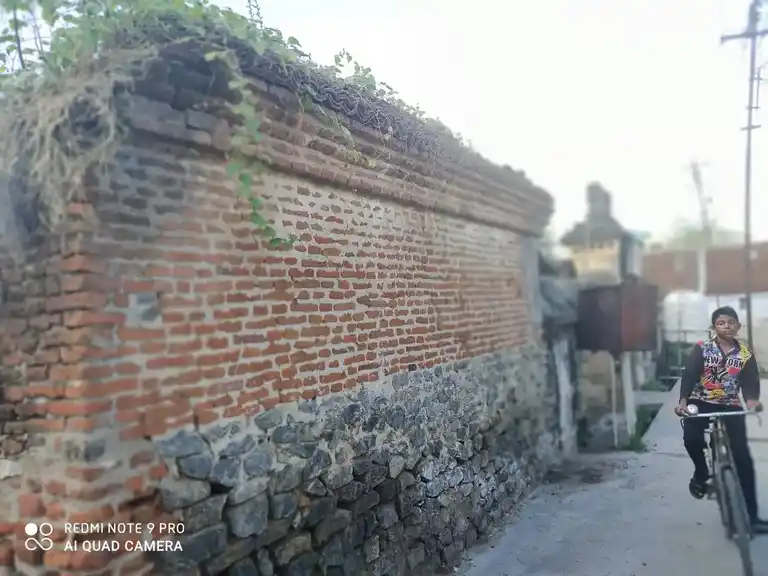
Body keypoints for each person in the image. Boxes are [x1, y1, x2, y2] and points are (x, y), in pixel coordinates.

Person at [674, 306, 768, 533]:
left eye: (731, 322)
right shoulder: (703, 349)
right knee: (692, 439)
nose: (726, 326)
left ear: (738, 326)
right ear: (714, 327)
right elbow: (689, 375)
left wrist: (753, 402)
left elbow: (750, 383)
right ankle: (701, 472)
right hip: (700, 401)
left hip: (730, 404)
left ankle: (752, 517)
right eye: (721, 322)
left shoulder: (745, 354)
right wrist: (683, 401)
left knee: (743, 459)